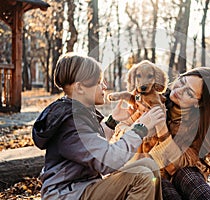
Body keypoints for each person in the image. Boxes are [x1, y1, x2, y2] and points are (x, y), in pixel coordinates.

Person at [32, 52, 165, 200]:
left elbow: (91, 146)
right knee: (142, 176)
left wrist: (112, 121)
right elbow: (107, 161)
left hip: (81, 187)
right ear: (80, 88)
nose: (105, 86)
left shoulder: (76, 111)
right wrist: (140, 129)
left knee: (148, 164)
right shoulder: (71, 122)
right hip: (66, 194)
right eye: (99, 82)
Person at [147, 67, 210, 200]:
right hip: (151, 172)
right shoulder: (154, 100)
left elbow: (178, 166)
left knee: (186, 174)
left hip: (183, 172)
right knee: (160, 183)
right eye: (182, 82)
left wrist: (162, 128)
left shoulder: (199, 125)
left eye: (189, 92)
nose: (179, 90)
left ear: (198, 104)